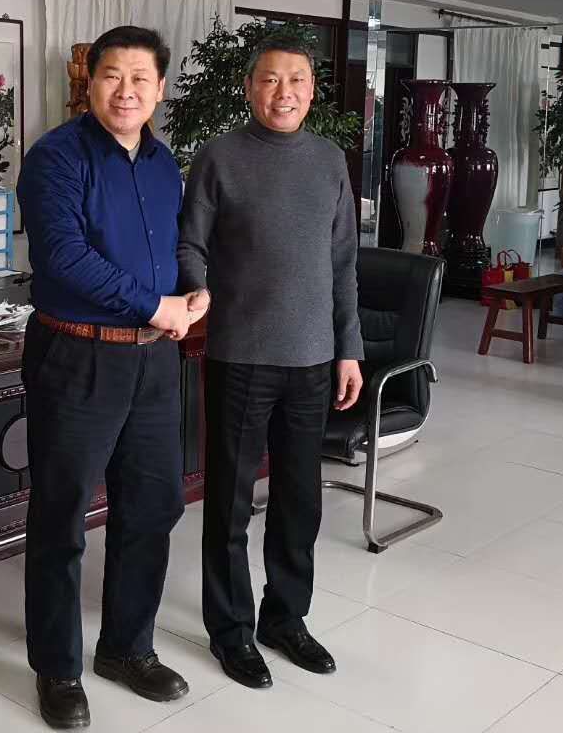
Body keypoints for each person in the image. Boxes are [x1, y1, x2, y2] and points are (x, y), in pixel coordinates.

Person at [17, 25, 204, 730]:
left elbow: (173, 244)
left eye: (140, 79)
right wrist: (155, 304)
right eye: (112, 76)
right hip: (77, 356)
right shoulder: (56, 157)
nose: (126, 91)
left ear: (160, 89)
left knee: (152, 507)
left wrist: (194, 290)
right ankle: (57, 668)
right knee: (62, 515)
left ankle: (127, 648)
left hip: (154, 359)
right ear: (89, 83)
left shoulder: (162, 161)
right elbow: (63, 256)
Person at [177, 36, 363, 689]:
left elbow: (343, 262)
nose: (284, 93)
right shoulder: (220, 156)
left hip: (312, 360)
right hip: (240, 356)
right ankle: (230, 630)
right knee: (229, 504)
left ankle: (285, 617)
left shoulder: (330, 160)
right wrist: (197, 289)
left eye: (297, 81)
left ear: (312, 91)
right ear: (249, 88)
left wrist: (349, 348)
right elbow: (190, 243)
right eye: (270, 80)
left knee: (298, 501)